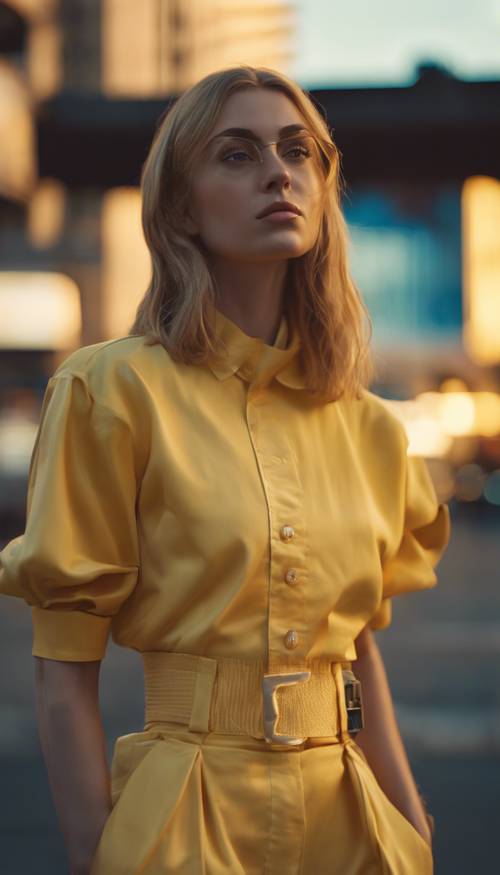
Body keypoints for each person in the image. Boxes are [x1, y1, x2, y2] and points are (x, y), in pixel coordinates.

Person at [0, 65, 451, 875]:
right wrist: (92, 853)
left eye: (297, 150)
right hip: (184, 815)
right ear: (179, 205)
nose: (279, 171)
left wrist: (411, 824)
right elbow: (64, 667)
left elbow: (359, 653)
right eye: (237, 154)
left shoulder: (372, 426)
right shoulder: (111, 390)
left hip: (352, 822)